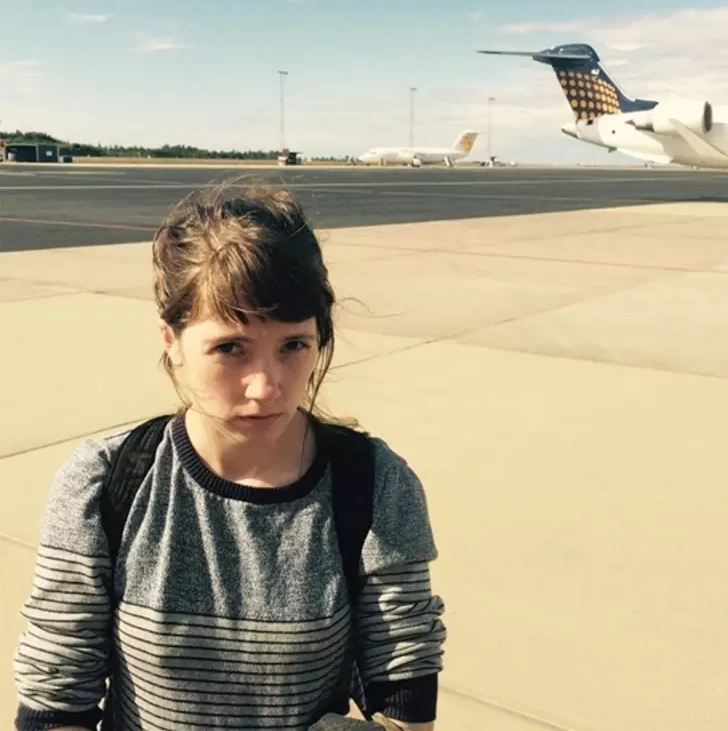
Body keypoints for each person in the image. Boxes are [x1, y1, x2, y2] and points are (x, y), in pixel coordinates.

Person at [13, 181, 446, 730]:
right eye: (230, 348)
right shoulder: (103, 482)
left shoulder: (375, 483)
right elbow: (55, 696)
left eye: (294, 345)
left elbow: (405, 688)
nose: (267, 387)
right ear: (170, 340)